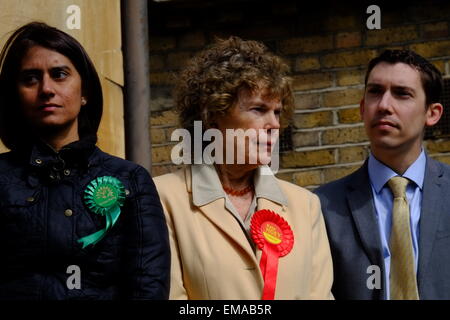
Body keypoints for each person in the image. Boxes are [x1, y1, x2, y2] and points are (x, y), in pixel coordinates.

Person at [0, 22, 170, 300]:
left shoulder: (130, 180)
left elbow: (147, 286)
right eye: (30, 78)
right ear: (15, 96)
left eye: (59, 74)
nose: (46, 88)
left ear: (85, 92)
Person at [154, 36, 333, 300]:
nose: (274, 124)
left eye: (277, 112)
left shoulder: (306, 205)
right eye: (259, 109)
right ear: (212, 117)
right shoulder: (163, 198)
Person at [314, 49, 450, 300]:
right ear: (363, 108)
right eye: (375, 92)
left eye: (402, 94)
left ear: (432, 113)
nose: (384, 105)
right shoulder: (322, 206)